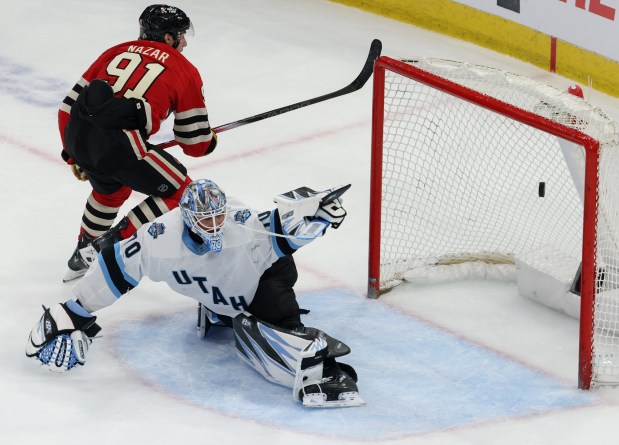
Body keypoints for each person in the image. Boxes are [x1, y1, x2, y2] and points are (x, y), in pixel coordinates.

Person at [26, 179, 364, 408]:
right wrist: (75, 311)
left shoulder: (241, 223)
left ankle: (247, 316)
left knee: (272, 317)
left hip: (262, 273)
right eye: (205, 219)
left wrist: (319, 220)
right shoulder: (159, 239)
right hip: (224, 280)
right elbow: (114, 267)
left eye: (218, 216)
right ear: (187, 218)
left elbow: (279, 234)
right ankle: (219, 308)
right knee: (237, 307)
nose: (215, 225)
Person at [59, 4, 217, 282]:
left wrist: (75, 153)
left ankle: (82, 253)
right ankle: (106, 246)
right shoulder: (184, 69)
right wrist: (209, 139)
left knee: (111, 190)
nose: (184, 41)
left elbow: (67, 107)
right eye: (181, 35)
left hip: (77, 134)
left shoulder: (116, 50)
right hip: (118, 142)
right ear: (168, 38)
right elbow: (195, 143)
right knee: (183, 193)